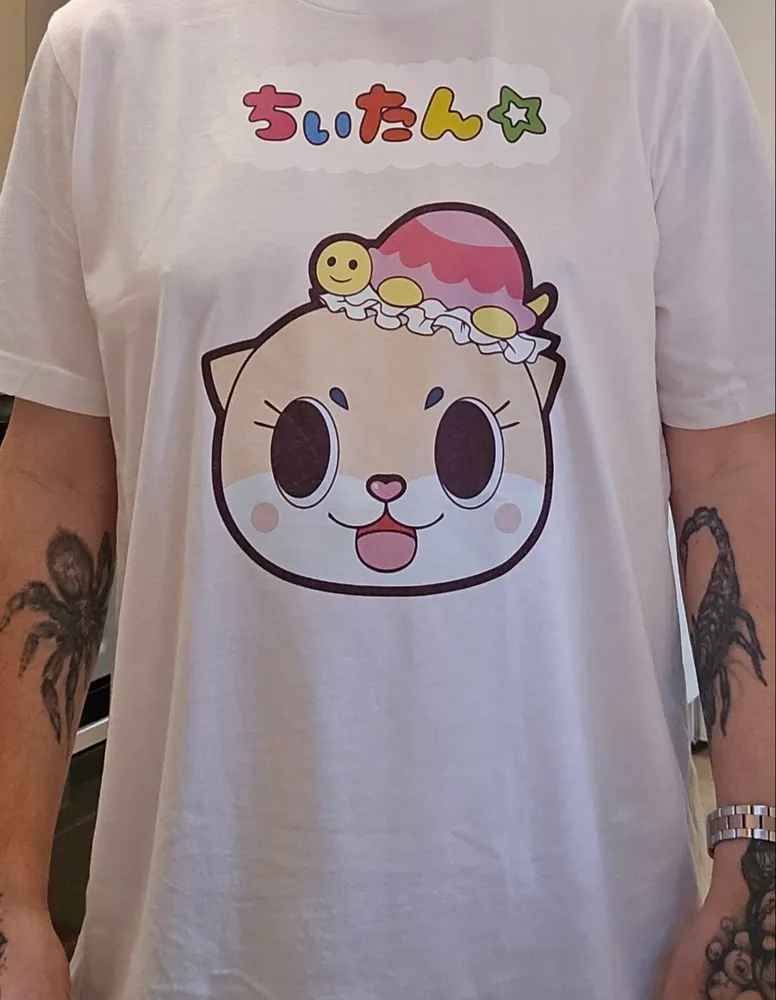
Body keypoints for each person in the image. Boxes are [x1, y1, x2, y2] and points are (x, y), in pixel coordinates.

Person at [0, 0, 774, 996]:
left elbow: (731, 462)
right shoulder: (105, 48)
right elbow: (53, 475)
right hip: (203, 937)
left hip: (582, 934)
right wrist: (10, 892)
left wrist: (756, 857)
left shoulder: (650, 34)